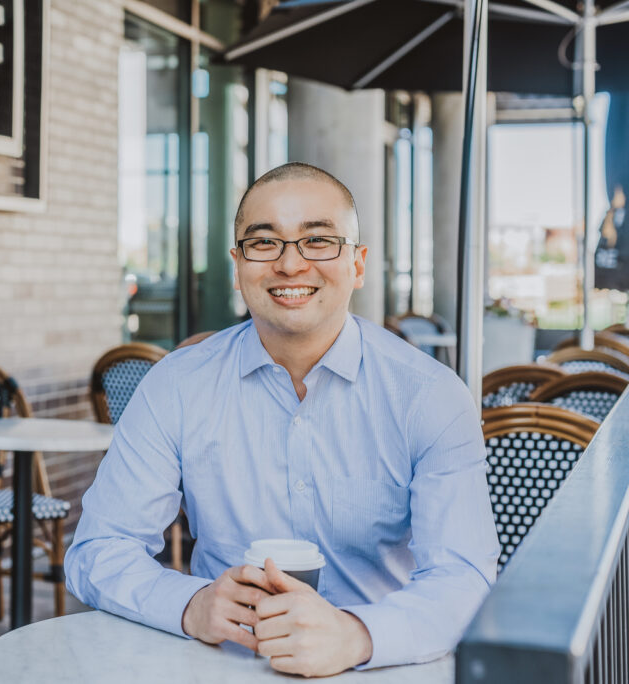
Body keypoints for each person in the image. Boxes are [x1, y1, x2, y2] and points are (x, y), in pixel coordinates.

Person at [65, 162, 500, 677]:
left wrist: (356, 634)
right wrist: (191, 604)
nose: (290, 264)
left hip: (383, 666)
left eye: (318, 241)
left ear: (357, 264)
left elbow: (464, 577)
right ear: (237, 266)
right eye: (264, 243)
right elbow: (100, 548)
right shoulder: (176, 385)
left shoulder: (429, 395)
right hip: (223, 665)